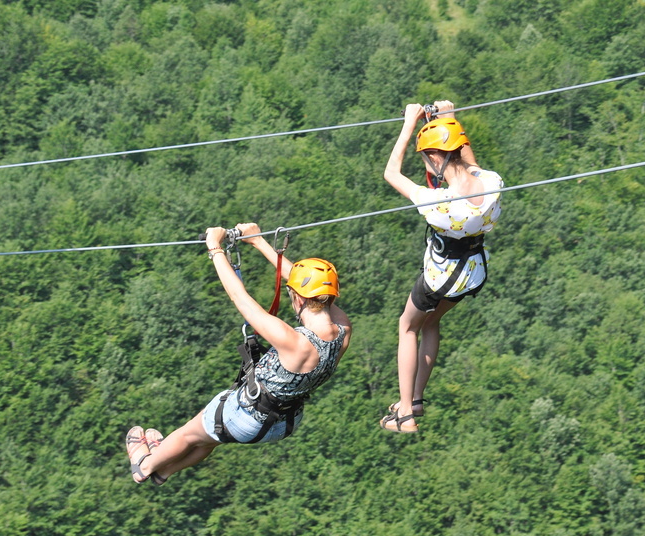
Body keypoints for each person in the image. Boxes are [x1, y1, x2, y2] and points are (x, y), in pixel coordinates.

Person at [125, 223, 352, 483]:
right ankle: (164, 470)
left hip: (247, 415)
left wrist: (215, 248)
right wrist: (257, 242)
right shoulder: (343, 330)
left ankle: (145, 465)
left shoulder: (295, 342)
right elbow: (305, 283)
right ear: (329, 298)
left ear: (298, 298)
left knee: (189, 434)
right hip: (284, 422)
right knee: (209, 439)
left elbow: (239, 297)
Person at [379, 101, 502, 433]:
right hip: (471, 274)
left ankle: (405, 413)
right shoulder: (492, 182)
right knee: (430, 324)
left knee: (408, 327)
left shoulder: (438, 202)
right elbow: (471, 164)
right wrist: (449, 119)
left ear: (435, 157)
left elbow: (391, 173)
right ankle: (416, 398)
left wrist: (409, 125)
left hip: (440, 276)